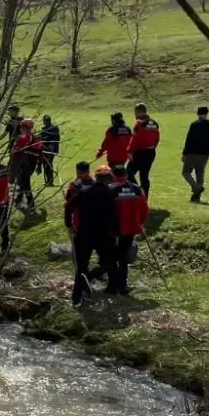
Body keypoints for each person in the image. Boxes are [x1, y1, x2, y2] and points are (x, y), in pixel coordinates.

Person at [64, 165, 120, 306]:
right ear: (108, 181)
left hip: (84, 233)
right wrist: (117, 233)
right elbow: (115, 217)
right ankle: (92, 278)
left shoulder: (84, 192)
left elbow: (68, 207)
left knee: (81, 266)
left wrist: (69, 225)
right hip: (104, 235)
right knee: (110, 263)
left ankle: (77, 299)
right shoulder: (110, 195)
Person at [109, 165, 149, 296]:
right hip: (131, 228)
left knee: (113, 257)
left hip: (115, 229)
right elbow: (145, 208)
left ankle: (113, 284)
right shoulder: (137, 189)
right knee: (123, 258)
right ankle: (123, 285)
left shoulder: (111, 189)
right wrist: (141, 223)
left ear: (113, 175)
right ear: (126, 175)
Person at [182, 106, 209, 202]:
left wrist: (184, 153)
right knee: (200, 174)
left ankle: (196, 188)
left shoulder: (194, 124)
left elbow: (188, 140)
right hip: (204, 154)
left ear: (197, 113)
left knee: (186, 173)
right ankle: (197, 194)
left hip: (192, 153)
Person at [10, 117, 42, 214]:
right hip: (31, 166)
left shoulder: (21, 138)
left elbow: (13, 151)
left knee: (25, 185)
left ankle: (31, 205)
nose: (21, 128)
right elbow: (40, 152)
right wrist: (39, 166)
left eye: (22, 127)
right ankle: (19, 199)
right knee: (22, 183)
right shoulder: (36, 138)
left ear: (24, 127)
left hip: (23, 165)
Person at [128, 103, 160, 196]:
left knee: (128, 173)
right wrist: (152, 147)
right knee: (144, 176)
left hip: (139, 153)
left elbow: (135, 140)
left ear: (138, 112)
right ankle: (144, 199)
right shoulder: (154, 123)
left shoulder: (139, 124)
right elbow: (157, 139)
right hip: (150, 152)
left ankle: (137, 192)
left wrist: (130, 151)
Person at [38, 115, 60, 186]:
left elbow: (56, 138)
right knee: (45, 164)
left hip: (50, 149)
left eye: (47, 121)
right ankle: (48, 180)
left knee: (48, 164)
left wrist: (53, 149)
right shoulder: (44, 129)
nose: (45, 123)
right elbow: (41, 139)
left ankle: (50, 181)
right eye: (45, 121)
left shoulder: (54, 128)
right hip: (44, 149)